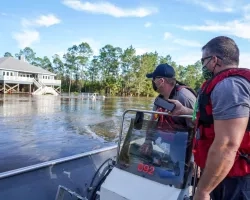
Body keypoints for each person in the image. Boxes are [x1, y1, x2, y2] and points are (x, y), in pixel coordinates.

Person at [170, 36, 250, 200]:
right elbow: (211, 123)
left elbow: (227, 145)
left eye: (203, 61)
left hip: (235, 179)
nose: (203, 66)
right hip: (222, 173)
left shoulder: (229, 87)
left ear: (214, 60)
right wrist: (184, 110)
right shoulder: (224, 85)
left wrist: (203, 190)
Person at [139, 63, 197, 156]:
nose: (153, 82)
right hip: (172, 145)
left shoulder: (185, 97)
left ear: (161, 81)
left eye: (154, 79)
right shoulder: (159, 100)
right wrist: (148, 141)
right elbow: (152, 121)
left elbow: (198, 125)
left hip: (188, 149)